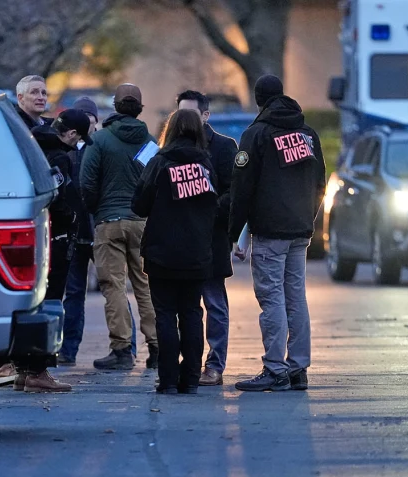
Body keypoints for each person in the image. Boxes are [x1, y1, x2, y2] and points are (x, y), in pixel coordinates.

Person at [229, 75, 326, 393]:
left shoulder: (256, 134)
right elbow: (320, 181)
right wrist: (308, 217)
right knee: (295, 298)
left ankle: (275, 369)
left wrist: (234, 233)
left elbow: (242, 187)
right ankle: (298, 369)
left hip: (270, 231)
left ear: (259, 99)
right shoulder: (308, 134)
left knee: (271, 298)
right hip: (300, 230)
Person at [5, 109, 92, 392]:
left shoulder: (31, 146)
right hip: (56, 236)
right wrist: (72, 218)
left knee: (31, 303)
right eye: (79, 138)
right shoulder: (59, 158)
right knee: (51, 302)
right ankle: (38, 371)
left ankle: (23, 369)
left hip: (32, 234)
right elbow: (59, 197)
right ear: (72, 134)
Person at [131, 109, 218, 394]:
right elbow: (215, 205)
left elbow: (139, 205)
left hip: (162, 252)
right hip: (196, 252)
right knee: (192, 313)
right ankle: (191, 378)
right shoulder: (206, 165)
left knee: (165, 315)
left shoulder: (159, 162)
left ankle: (167, 379)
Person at [80, 83, 159, 371]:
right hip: (142, 224)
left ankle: (122, 349)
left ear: (115, 106)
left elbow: (86, 182)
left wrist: (97, 209)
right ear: (140, 109)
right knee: (146, 285)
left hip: (109, 221)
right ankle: (157, 347)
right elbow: (156, 182)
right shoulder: (150, 142)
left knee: (112, 285)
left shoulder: (100, 140)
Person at [58, 98, 138, 366]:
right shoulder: (69, 149)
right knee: (74, 293)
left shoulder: (102, 147)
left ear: (95, 120)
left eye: (89, 117)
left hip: (101, 229)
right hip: (76, 232)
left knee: (113, 288)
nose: (85, 121)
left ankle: (127, 347)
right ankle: (68, 350)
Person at [176, 90, 238, 387]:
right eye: (181, 114)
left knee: (214, 303)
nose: (185, 120)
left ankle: (214, 365)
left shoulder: (224, 147)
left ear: (205, 115)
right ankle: (188, 363)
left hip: (211, 236)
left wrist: (208, 210)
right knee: (185, 306)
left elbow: (233, 191)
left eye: (190, 114)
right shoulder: (171, 148)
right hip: (181, 239)